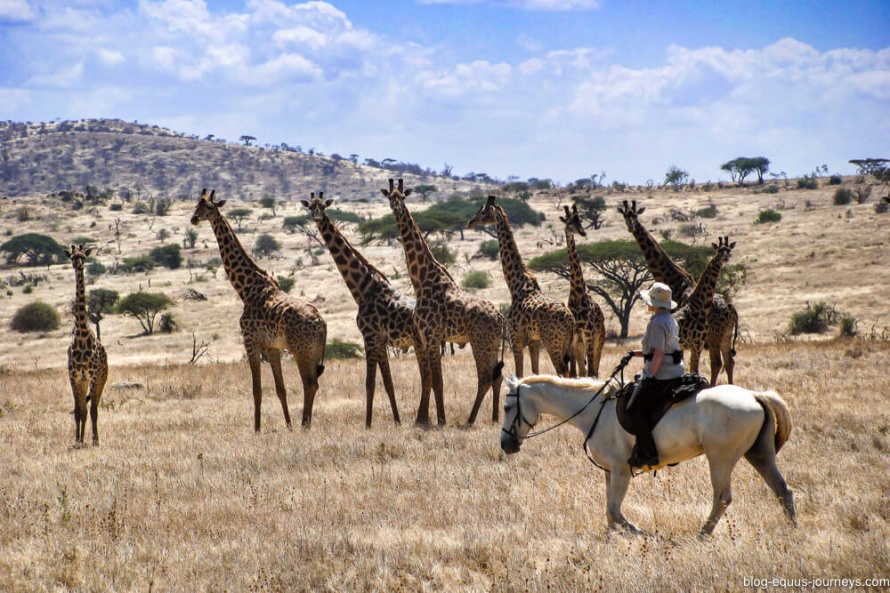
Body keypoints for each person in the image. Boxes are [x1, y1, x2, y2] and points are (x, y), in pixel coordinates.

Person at [623, 282, 685, 468]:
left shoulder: (657, 322)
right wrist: (636, 353)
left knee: (633, 409)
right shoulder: (670, 319)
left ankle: (648, 453)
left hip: (662, 375)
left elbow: (658, 353)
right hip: (675, 372)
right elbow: (662, 350)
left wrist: (649, 376)